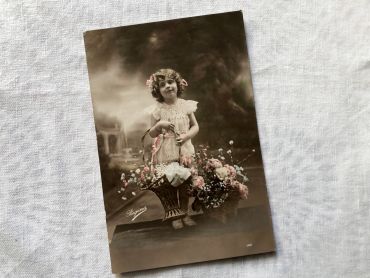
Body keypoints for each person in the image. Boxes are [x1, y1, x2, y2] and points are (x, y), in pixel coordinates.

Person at [147, 68, 199, 229]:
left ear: (177, 84)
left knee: (185, 183)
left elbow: (196, 126)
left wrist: (186, 136)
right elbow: (151, 133)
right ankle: (175, 215)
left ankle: (185, 212)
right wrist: (159, 125)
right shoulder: (157, 110)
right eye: (163, 85)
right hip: (166, 150)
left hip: (184, 149)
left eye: (171, 82)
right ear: (158, 90)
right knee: (170, 183)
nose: (168, 86)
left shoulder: (185, 105)